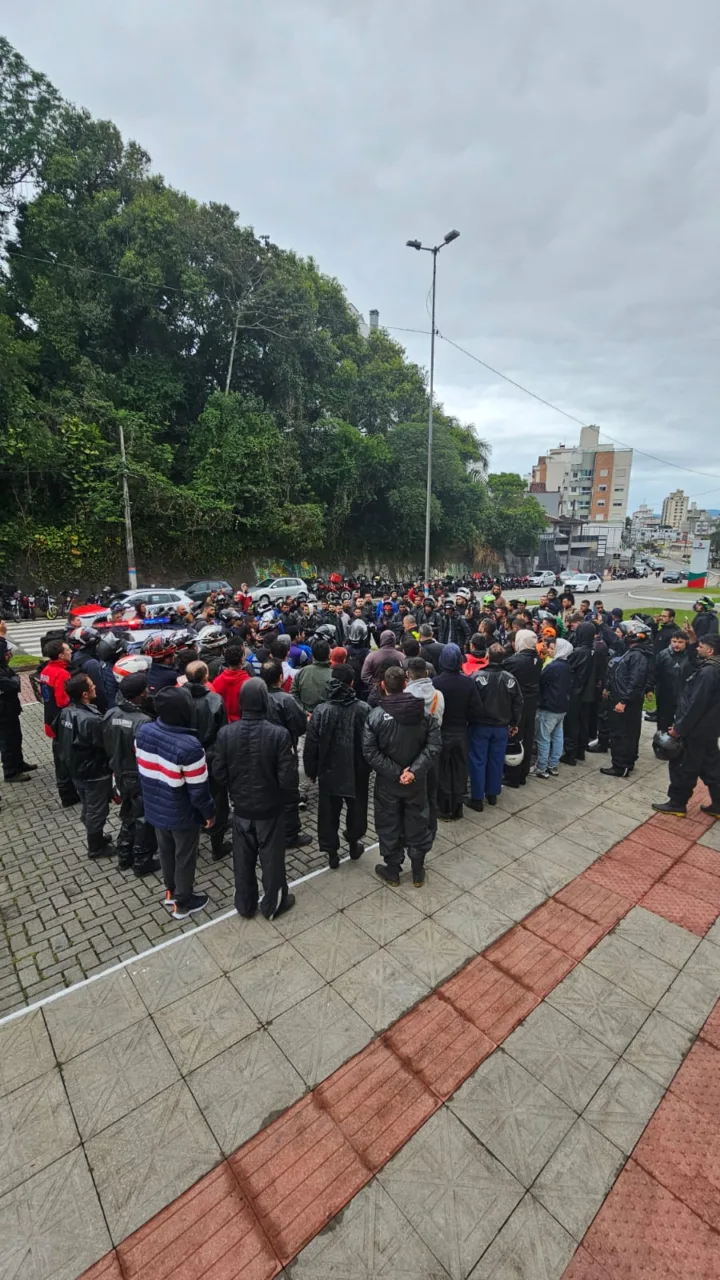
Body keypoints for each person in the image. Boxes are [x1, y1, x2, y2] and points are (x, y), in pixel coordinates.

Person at [213, 678, 297, 920]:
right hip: (270, 809)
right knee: (272, 861)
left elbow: (218, 773)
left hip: (241, 809)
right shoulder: (278, 735)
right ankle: (272, 905)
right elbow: (288, 779)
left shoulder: (226, 733)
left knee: (242, 860)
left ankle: (245, 904)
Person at [136, 686, 215, 918]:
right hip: (182, 813)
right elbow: (199, 791)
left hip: (155, 805)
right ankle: (184, 901)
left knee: (166, 851)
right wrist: (209, 813)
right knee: (184, 856)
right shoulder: (190, 747)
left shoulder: (143, 731)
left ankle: (170, 892)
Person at [363, 665, 441, 886]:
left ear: (383, 686)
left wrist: (397, 772)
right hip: (415, 782)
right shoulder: (424, 715)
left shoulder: (375, 717)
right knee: (418, 821)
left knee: (389, 823)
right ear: (405, 684)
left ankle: (393, 869)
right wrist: (413, 772)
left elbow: (370, 752)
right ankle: (417, 871)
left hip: (389, 783)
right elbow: (434, 746)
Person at [304, 665, 370, 868]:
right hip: (357, 770)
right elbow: (370, 742)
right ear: (351, 683)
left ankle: (331, 851)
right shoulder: (363, 709)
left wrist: (311, 770)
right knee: (357, 809)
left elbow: (311, 745)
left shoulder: (321, 711)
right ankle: (353, 841)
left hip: (328, 771)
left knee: (328, 814)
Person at [653, 633, 720, 819]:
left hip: (695, 730)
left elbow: (696, 704)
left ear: (710, 650)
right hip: (710, 729)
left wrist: (679, 728)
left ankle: (677, 803)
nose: (697, 648)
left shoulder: (708, 672)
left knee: (684, 767)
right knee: (712, 766)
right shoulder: (713, 667)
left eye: (700, 646)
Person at [102, 672, 160, 876]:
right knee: (143, 818)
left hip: (119, 772)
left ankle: (124, 854)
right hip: (138, 775)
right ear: (141, 693)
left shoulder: (111, 713)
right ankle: (142, 861)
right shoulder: (143, 722)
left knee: (127, 813)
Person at [57, 673, 115, 858]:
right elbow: (105, 745)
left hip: (76, 770)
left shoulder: (66, 712)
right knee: (98, 809)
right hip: (94, 772)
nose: (95, 687)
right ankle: (96, 847)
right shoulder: (91, 720)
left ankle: (96, 835)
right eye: (91, 685)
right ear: (84, 694)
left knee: (89, 806)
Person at [182, 660, 231, 860]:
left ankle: (201, 831)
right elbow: (223, 731)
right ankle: (217, 845)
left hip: (185, 755)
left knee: (192, 794)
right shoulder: (215, 701)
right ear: (205, 677)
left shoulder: (178, 698)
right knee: (218, 798)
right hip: (210, 755)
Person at [260, 659, 311, 850]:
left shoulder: (257, 697)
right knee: (289, 794)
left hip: (261, 752)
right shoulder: (286, 700)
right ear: (280, 678)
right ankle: (290, 834)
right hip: (285, 752)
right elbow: (299, 725)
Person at [467, 643, 523, 810]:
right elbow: (518, 703)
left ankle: (477, 798)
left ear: (487, 657)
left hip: (480, 726)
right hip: (500, 727)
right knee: (496, 760)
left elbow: (470, 702)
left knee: (478, 760)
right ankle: (492, 794)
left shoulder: (477, 677)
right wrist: (514, 723)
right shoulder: (510, 679)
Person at [432, 643, 482, 820]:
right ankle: (458, 807)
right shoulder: (467, 682)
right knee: (460, 770)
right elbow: (476, 709)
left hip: (442, 732)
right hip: (461, 731)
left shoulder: (436, 683)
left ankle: (444, 808)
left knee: (443, 771)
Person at [601, 619, 655, 779]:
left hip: (625, 702)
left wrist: (623, 701)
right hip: (622, 698)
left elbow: (635, 681)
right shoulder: (633, 652)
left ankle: (620, 766)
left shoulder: (638, 656)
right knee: (625, 732)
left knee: (622, 734)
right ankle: (626, 762)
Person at [39, 638, 79, 806]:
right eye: (67, 650)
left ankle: (66, 792)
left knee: (59, 756)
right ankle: (68, 795)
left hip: (50, 718)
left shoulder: (46, 670)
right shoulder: (62, 674)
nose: (71, 651)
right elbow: (64, 701)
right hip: (61, 722)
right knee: (65, 758)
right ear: (61, 655)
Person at [503, 629, 542, 787]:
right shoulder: (537, 659)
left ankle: (512, 775)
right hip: (531, 704)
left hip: (518, 704)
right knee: (527, 737)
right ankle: (523, 772)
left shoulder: (514, 661)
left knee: (514, 738)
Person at [535, 637, 574, 778]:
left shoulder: (553, 666)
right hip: (562, 706)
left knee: (543, 738)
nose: (549, 651)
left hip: (549, 706)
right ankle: (553, 765)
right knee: (558, 736)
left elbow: (540, 680)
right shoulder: (568, 666)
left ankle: (541, 767)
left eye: (552, 649)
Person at [0, 638, 36, 784]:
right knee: (7, 742)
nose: (9, 656)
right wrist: (15, 679)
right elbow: (13, 684)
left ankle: (19, 763)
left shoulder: (4, 667)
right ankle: (11, 772)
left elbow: (14, 679)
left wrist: (14, 679)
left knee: (16, 737)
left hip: (10, 709)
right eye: (6, 653)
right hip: (3, 712)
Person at [563, 621, 596, 764]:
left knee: (572, 723)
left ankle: (570, 753)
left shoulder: (578, 652)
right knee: (583, 722)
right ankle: (580, 751)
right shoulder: (596, 650)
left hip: (576, 692)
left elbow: (568, 668)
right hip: (589, 692)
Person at [654, 633, 695, 732]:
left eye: (680, 642)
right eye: (674, 641)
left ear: (686, 643)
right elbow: (655, 672)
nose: (676, 644)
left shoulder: (690, 656)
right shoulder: (663, 654)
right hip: (665, 694)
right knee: (663, 720)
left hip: (684, 694)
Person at [291, 637, 333, 714]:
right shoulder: (334, 675)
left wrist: (305, 712)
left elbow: (293, 695)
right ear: (329, 655)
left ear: (312, 655)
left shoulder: (301, 672)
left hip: (306, 719)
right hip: (327, 719)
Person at [211, 644, 250, 721]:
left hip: (223, 723)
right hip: (243, 723)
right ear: (242, 660)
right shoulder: (249, 683)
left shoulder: (216, 681)